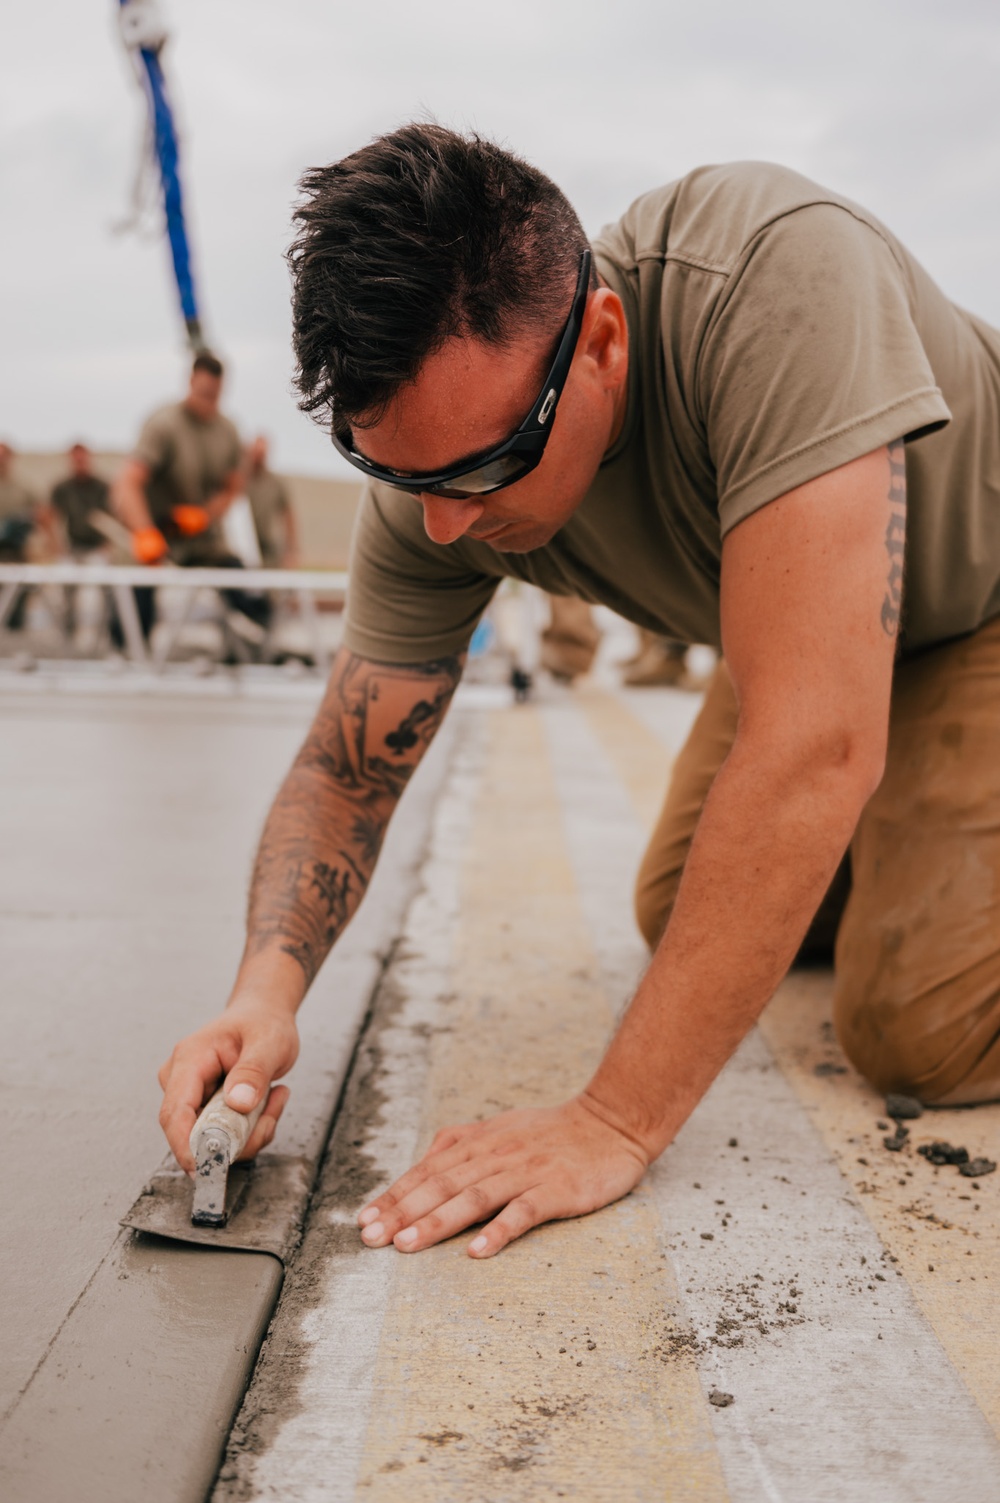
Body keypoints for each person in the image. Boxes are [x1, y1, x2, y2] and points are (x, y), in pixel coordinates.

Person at [158, 125, 1000, 1264]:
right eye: (402, 478)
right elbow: (350, 766)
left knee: (917, 1025)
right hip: (827, 633)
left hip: (977, 608)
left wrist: (614, 1118)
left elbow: (811, 748)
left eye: (483, 468)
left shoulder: (772, 275)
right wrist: (263, 994)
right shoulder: (438, 476)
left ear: (600, 339)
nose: (445, 520)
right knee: (684, 913)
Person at [113, 353, 268, 641]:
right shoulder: (163, 424)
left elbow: (233, 487)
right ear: (191, 381)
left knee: (240, 581)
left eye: (215, 395)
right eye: (203, 393)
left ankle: (261, 642)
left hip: (199, 536)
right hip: (158, 530)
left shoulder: (227, 430)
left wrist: (205, 515)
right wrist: (144, 532)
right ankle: (126, 651)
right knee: (137, 596)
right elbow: (128, 483)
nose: (209, 401)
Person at [45, 442, 125, 644]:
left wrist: (108, 545)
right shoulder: (62, 487)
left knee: (105, 591)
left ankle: (106, 635)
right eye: (76, 460)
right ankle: (67, 635)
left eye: (83, 459)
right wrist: (56, 545)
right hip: (73, 546)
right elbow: (50, 516)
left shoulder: (101, 486)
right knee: (66, 592)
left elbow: (113, 515)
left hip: (96, 547)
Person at [0, 442, 40, 630]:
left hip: (15, 552)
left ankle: (15, 630)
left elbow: (41, 513)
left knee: (17, 596)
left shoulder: (23, 486)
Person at [244, 435, 299, 568]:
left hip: (269, 548)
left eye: (261, 454)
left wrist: (291, 550)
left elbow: (288, 515)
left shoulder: (275, 483)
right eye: (256, 453)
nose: (258, 458)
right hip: (246, 544)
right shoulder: (240, 480)